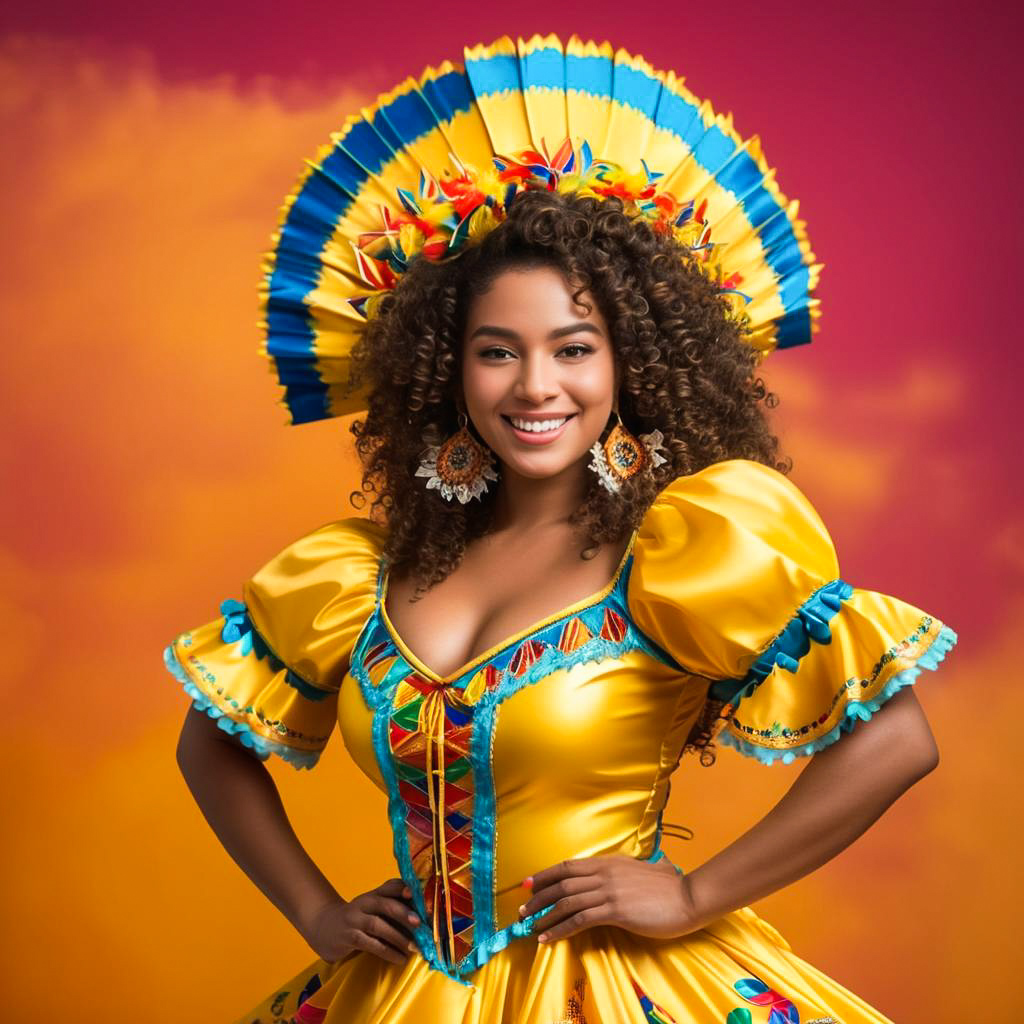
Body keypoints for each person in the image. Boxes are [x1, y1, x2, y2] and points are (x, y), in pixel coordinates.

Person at [165, 38, 956, 1024]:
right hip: (396, 997)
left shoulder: (691, 548)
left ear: (630, 365)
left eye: (572, 349)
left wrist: (695, 893)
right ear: (444, 373)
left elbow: (897, 739)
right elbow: (210, 742)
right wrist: (316, 912)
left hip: (622, 992)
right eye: (497, 352)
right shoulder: (357, 574)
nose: (535, 386)